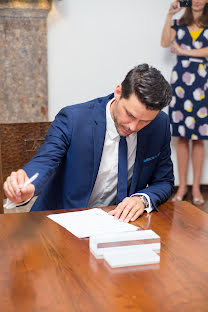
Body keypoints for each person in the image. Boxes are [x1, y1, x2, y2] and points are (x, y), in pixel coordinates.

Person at [4, 63, 174, 222]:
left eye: (144, 121)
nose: (133, 126)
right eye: (130, 115)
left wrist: (142, 200)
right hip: (60, 223)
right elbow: (46, 160)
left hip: (117, 224)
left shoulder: (159, 125)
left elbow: (164, 181)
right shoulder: (73, 119)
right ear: (118, 92)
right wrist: (26, 185)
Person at [161, 0, 208, 205]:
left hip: (202, 82)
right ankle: (182, 186)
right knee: (181, 136)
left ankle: (196, 188)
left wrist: (184, 51)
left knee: (198, 137)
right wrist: (169, 15)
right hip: (181, 83)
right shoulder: (178, 23)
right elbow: (164, 42)